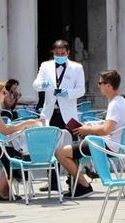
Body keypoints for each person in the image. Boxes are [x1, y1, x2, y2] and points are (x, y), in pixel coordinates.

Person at [55, 69, 125, 198]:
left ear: (108, 86)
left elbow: (106, 130)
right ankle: (78, 183)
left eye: (100, 83)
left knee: (60, 153)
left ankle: (84, 186)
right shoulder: (120, 101)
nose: (98, 85)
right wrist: (90, 127)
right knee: (72, 149)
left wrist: (87, 130)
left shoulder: (115, 104)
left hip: (107, 146)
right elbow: (109, 126)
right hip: (110, 143)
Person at [32, 39, 85, 190]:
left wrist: (67, 93)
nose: (59, 55)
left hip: (69, 114)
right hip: (50, 112)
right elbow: (35, 85)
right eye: (56, 54)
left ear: (68, 53)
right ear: (53, 53)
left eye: (62, 53)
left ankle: (74, 181)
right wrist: (42, 85)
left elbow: (81, 90)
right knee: (50, 146)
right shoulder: (45, 66)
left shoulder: (76, 67)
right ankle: (53, 181)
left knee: (71, 147)